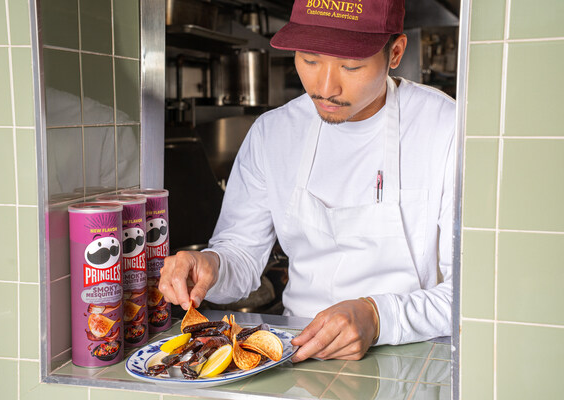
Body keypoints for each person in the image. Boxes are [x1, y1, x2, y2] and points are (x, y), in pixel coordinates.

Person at [159, 0, 454, 362]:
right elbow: (242, 254)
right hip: (297, 356)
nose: (325, 87)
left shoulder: (445, 128)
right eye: (310, 60)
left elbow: (471, 293)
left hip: (413, 356)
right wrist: (209, 266)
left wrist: (379, 317)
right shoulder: (272, 133)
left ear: (395, 53)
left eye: (351, 66)